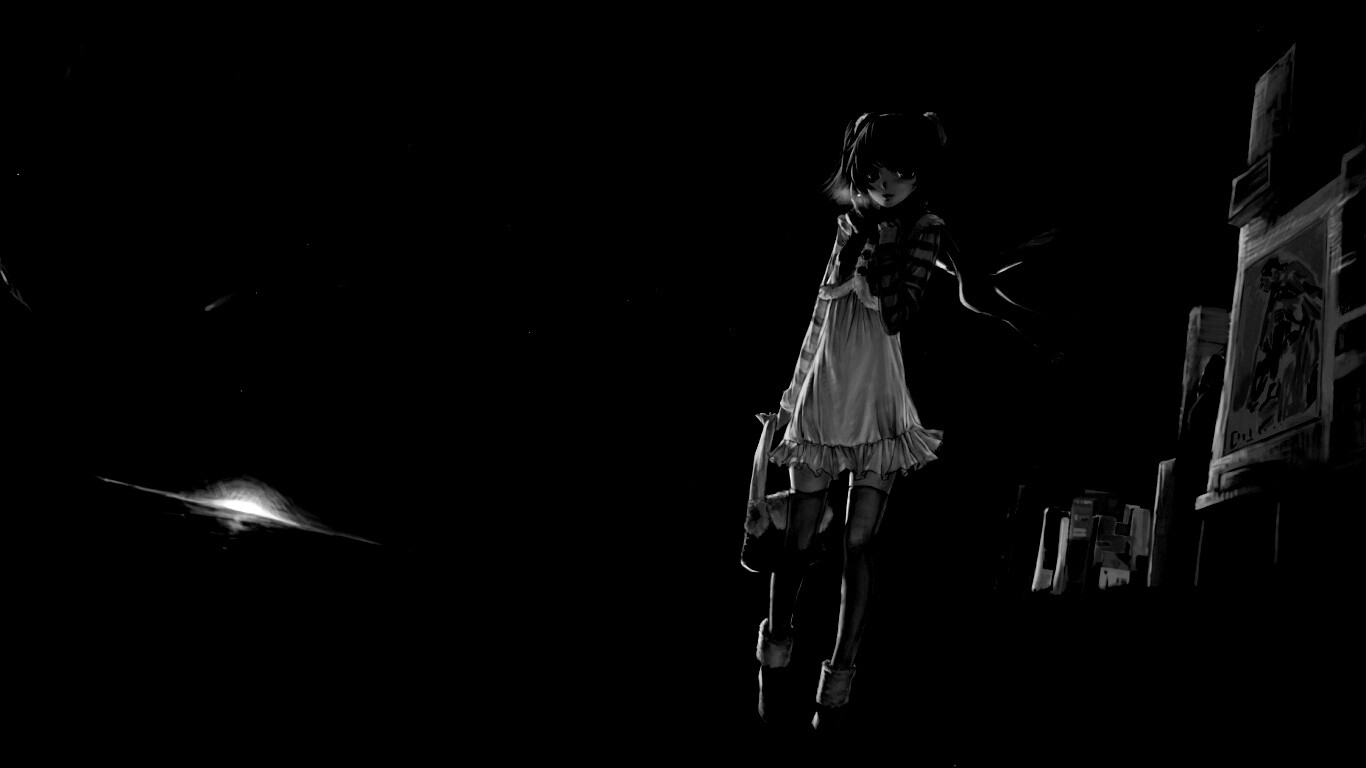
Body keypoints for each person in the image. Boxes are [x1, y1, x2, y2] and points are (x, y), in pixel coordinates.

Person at [753, 111, 1049, 733]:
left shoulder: (922, 231)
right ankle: (774, 659)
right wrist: (791, 394)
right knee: (799, 536)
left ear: (921, 175)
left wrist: (888, 247)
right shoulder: (850, 225)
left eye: (902, 173)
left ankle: (837, 685)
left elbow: (896, 313)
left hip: (878, 400)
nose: (886, 184)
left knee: (859, 545)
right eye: (876, 173)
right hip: (825, 392)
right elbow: (818, 319)